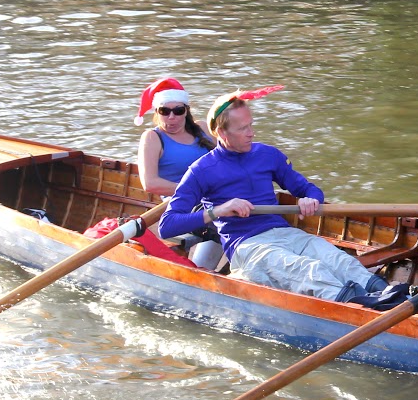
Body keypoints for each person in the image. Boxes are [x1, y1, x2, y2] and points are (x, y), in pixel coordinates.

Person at [157, 85, 400, 306]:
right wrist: (217, 211)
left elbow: (309, 189)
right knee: (310, 272)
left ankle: (392, 296)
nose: (251, 133)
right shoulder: (201, 170)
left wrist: (310, 199)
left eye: (251, 125)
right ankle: (365, 308)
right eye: (243, 129)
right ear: (221, 132)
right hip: (248, 246)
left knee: (340, 262)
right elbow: (168, 226)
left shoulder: (267, 155)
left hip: (286, 234)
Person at [133, 77, 215, 196]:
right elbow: (150, 183)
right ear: (157, 112)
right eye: (164, 111)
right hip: (180, 202)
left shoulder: (202, 127)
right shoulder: (152, 138)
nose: (171, 117)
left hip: (215, 193)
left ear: (186, 111)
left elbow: (226, 158)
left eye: (178, 111)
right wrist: (193, 189)